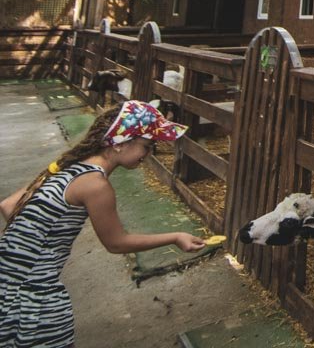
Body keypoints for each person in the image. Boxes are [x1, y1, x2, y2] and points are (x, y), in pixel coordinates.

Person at [0, 100, 207, 348]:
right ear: (120, 143)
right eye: (146, 146)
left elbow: (9, 205)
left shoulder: (68, 167)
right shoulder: (96, 185)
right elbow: (116, 244)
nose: (148, 154)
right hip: (33, 296)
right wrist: (175, 237)